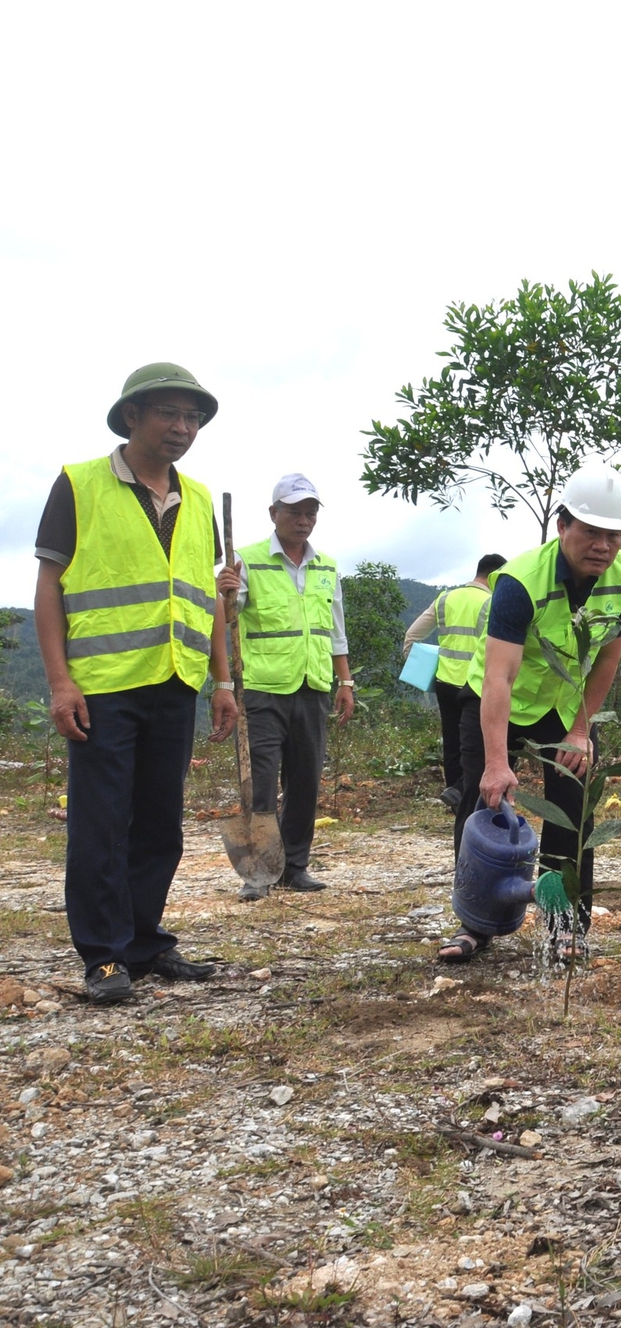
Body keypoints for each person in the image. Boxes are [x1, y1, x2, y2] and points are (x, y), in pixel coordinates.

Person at [33, 363, 239, 1003]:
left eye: (193, 417)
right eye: (169, 414)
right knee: (101, 823)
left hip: (175, 681)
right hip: (102, 687)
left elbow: (204, 597)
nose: (183, 428)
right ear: (131, 417)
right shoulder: (79, 484)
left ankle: (144, 942)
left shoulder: (199, 497)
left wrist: (222, 679)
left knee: (160, 823)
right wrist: (60, 681)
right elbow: (48, 586)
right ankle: (101, 955)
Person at [440, 462, 621, 963]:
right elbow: (498, 678)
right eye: (591, 532)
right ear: (563, 526)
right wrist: (495, 762)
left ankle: (566, 925)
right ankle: (475, 925)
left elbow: (610, 655)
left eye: (614, 535)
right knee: (480, 805)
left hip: (562, 704)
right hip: (498, 702)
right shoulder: (518, 582)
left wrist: (580, 729)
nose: (603, 545)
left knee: (573, 808)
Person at [232, 474, 354, 900]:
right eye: (294, 512)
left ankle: (294, 866)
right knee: (262, 782)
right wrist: (223, 594)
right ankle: (259, 872)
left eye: (310, 513)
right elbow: (228, 618)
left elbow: (335, 630)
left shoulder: (327, 566)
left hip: (313, 686)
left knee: (305, 779)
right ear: (274, 514)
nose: (303, 521)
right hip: (264, 689)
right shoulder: (246, 560)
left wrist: (345, 681)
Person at [403, 553, 506, 808]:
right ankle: (468, 795)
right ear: (495, 576)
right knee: (478, 746)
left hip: (445, 683)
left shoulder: (445, 598)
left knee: (452, 742)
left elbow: (411, 637)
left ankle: (454, 798)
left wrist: (422, 666)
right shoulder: (493, 603)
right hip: (477, 685)